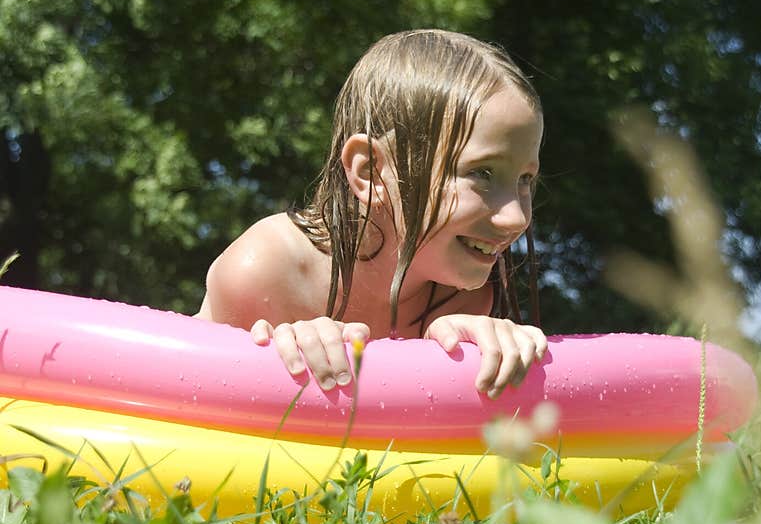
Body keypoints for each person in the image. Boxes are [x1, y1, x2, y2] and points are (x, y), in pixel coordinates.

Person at [194, 29, 547, 400]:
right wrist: (281, 352)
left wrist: (472, 352)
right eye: (482, 173)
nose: (516, 218)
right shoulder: (267, 269)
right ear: (371, 172)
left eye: (525, 179)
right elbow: (193, 406)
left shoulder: (461, 300)